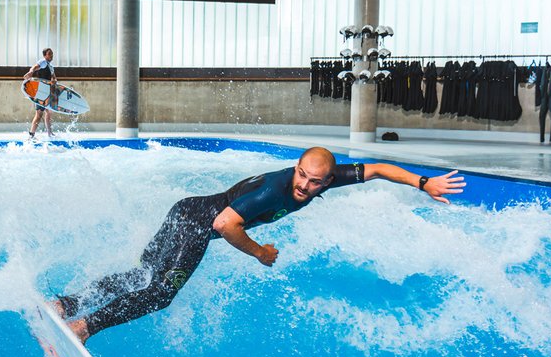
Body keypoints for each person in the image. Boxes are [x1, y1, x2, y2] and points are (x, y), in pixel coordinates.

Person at [53, 147, 465, 345]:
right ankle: (81, 327)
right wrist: (260, 253)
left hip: (183, 211)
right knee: (160, 293)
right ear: (297, 168)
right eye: (301, 175)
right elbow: (225, 223)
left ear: (328, 178)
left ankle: (66, 304)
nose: (304, 186)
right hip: (195, 224)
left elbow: (375, 169)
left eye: (314, 181)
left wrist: (422, 183)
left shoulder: (330, 176)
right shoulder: (273, 191)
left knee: (141, 276)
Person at [24, 48, 58, 139]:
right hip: (41, 93)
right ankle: (31, 135)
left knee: (48, 113)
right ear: (45, 55)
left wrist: (54, 81)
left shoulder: (51, 67)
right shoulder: (43, 62)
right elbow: (35, 67)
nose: (51, 55)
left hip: (47, 93)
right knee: (39, 115)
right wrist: (31, 72)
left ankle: (50, 133)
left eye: (52, 54)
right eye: (49, 54)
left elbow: (53, 78)